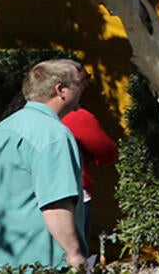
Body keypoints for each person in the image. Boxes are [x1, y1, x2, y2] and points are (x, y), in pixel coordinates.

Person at [0, 59, 91, 271]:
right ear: (60, 90)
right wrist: (74, 254)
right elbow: (55, 204)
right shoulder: (53, 134)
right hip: (34, 261)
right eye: (81, 83)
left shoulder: (1, 129)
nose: (83, 89)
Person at [60, 104, 117, 254]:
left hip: (27, 202)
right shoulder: (75, 116)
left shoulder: (16, 121)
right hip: (74, 198)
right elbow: (107, 151)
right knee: (74, 257)